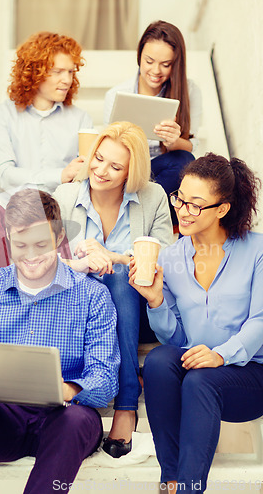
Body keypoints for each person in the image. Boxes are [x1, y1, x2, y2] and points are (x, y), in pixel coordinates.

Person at [0, 189, 120, 494]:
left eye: (40, 244)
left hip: (63, 420)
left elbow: (105, 380)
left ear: (60, 237)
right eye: (20, 245)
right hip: (3, 420)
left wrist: (69, 389)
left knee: (73, 421)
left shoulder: (92, 296)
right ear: (7, 239)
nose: (31, 255)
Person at [129, 153, 263, 493]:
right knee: (159, 361)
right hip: (197, 372)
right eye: (180, 198)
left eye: (195, 205)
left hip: (250, 376)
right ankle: (172, 479)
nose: (183, 210)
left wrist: (222, 354)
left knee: (200, 380)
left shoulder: (257, 250)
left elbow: (261, 320)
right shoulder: (171, 257)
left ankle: (189, 488)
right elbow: (176, 338)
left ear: (222, 209)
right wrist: (156, 300)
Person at [53, 121, 173, 458]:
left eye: (115, 166)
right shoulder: (66, 195)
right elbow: (45, 261)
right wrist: (83, 263)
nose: (101, 170)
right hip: (80, 307)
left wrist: (115, 257)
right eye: (98, 158)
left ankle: (126, 403)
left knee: (119, 277)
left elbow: (169, 258)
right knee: (103, 282)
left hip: (135, 307)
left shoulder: (152, 197)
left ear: (130, 173)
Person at [0, 32, 93, 276]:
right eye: (58, 71)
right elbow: (3, 174)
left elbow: (84, 176)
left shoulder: (81, 119)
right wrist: (60, 174)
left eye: (71, 72)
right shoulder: (1, 115)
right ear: (34, 71)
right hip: (12, 203)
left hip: (59, 207)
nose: (67, 79)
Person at [104, 20, 202, 224]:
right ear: (139, 55)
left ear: (176, 63)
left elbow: (192, 147)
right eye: (149, 61)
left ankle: (138, 220)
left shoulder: (189, 91)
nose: (156, 71)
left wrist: (174, 142)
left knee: (183, 160)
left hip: (162, 175)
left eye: (166, 64)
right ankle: (150, 220)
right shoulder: (117, 95)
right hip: (128, 172)